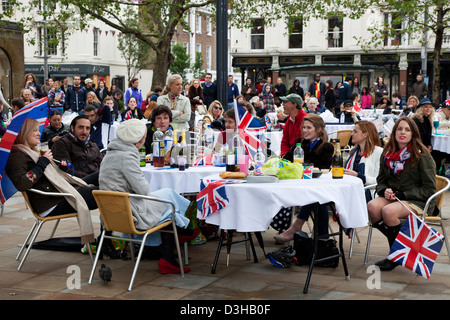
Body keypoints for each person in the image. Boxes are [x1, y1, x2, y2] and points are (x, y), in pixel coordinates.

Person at [99, 118, 194, 274]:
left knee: (168, 193)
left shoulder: (111, 153)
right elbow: (143, 190)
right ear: (138, 140)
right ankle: (171, 249)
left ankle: (180, 229)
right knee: (169, 207)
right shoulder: (127, 156)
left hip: (113, 213)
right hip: (130, 213)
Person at [6, 118, 99, 245]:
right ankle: (110, 236)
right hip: (51, 202)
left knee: (101, 175)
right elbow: (22, 184)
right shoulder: (16, 156)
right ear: (24, 133)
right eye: (35, 130)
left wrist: (55, 166)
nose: (39, 133)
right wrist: (42, 163)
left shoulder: (31, 152)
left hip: (60, 192)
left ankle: (110, 236)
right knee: (104, 194)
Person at [367, 117, 436, 271]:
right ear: (394, 132)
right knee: (372, 206)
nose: (403, 132)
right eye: (399, 129)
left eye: (407, 129)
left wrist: (403, 194)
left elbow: (429, 189)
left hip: (419, 200)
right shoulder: (388, 152)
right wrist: (384, 191)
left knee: (388, 211)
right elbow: (381, 180)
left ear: (413, 133)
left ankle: (394, 256)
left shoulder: (421, 154)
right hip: (396, 197)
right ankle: (404, 246)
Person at [274, 114, 334, 240]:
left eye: (308, 128)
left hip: (316, 186)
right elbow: (286, 161)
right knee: (317, 198)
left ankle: (298, 227)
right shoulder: (299, 143)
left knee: (316, 197)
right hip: (297, 185)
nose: (305, 131)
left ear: (318, 129)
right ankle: (321, 240)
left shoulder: (327, 147)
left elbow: (324, 169)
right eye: (304, 127)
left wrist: (302, 166)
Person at [344, 121, 383, 201]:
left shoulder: (378, 152)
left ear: (365, 135)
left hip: (368, 193)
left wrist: (359, 176)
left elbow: (380, 181)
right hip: (352, 189)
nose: (351, 134)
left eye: (355, 131)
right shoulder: (354, 152)